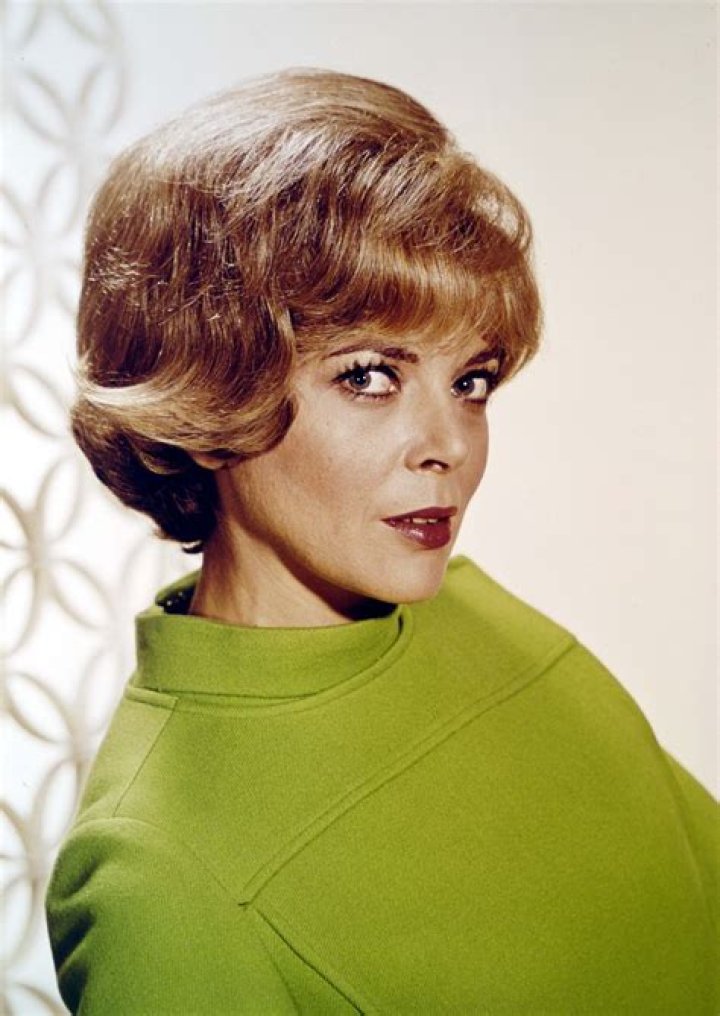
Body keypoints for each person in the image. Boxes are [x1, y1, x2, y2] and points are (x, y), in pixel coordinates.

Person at [45, 68, 717, 1014]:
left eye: (471, 380)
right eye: (369, 376)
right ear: (207, 392)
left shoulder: (476, 615)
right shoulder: (153, 877)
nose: (450, 446)